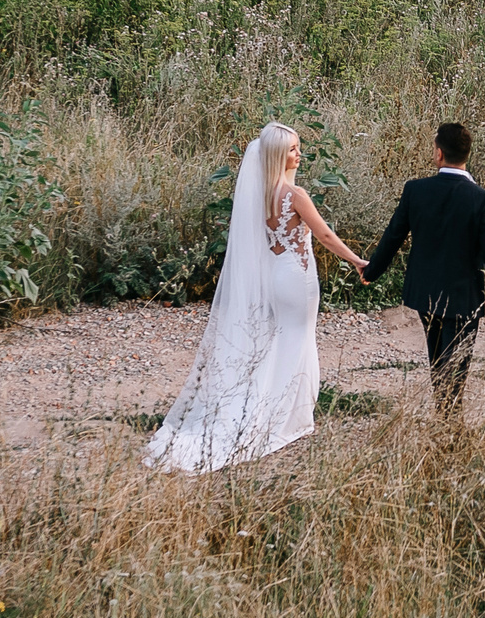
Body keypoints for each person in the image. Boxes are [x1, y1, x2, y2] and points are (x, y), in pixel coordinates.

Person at [146, 122, 369, 472]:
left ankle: (282, 409)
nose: (300, 154)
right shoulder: (296, 196)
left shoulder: (260, 193)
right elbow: (324, 235)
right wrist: (357, 260)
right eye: (294, 149)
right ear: (280, 155)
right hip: (297, 278)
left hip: (278, 276)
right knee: (296, 340)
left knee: (283, 341)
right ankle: (287, 416)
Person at [364, 121, 485, 417]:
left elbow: (393, 236)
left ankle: (444, 413)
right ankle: (449, 419)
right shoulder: (483, 200)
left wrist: (371, 271)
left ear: (439, 154)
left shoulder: (416, 190)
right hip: (463, 294)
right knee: (458, 362)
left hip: (426, 292)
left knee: (438, 356)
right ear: (467, 154)